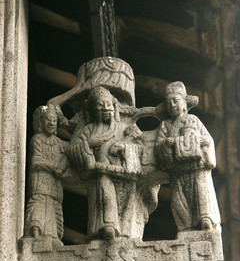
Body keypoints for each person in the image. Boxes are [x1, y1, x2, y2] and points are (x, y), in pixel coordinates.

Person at [68, 86, 143, 241]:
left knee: (127, 202)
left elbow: (138, 145)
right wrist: (89, 143)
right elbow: (73, 148)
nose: (105, 109)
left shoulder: (123, 128)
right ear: (94, 111)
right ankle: (107, 226)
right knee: (104, 189)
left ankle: (124, 229)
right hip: (100, 172)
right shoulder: (89, 129)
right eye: (101, 106)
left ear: (114, 106)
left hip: (122, 174)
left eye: (108, 105)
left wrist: (124, 147)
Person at [155, 81, 221, 231]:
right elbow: (159, 146)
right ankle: (186, 226)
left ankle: (205, 219)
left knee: (201, 194)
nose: (172, 105)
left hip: (197, 168)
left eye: (175, 100)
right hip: (177, 171)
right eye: (169, 102)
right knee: (179, 201)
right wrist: (167, 145)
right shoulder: (165, 125)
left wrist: (200, 142)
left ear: (184, 103)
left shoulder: (194, 120)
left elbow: (208, 140)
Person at [25, 104, 69, 242]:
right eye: (48, 119)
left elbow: (73, 148)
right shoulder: (37, 139)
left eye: (54, 120)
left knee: (53, 206)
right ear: (41, 121)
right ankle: (35, 229)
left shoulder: (60, 143)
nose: (51, 123)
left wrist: (68, 124)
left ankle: (52, 236)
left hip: (55, 185)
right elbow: (36, 161)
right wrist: (54, 166)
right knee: (39, 203)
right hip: (40, 180)